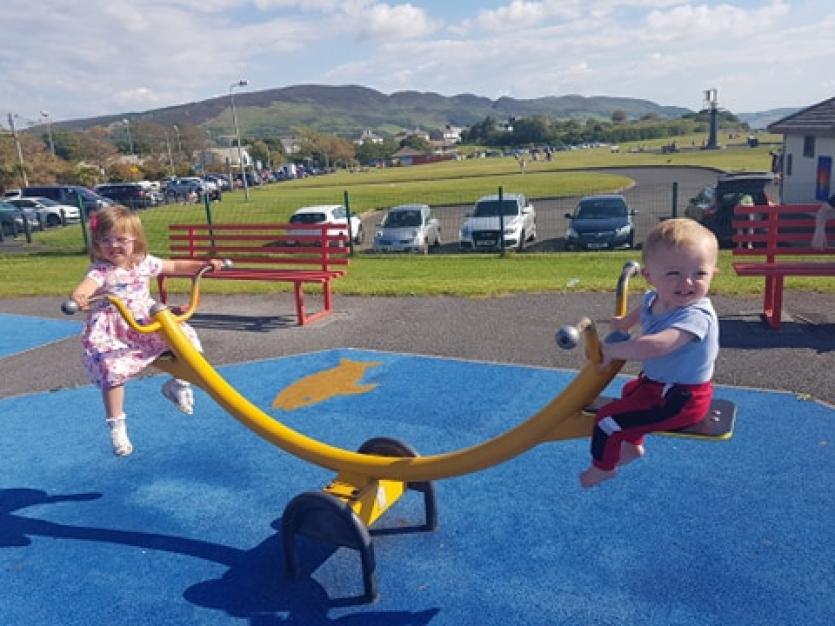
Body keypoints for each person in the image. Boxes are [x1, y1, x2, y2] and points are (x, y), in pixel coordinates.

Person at [69, 205, 223, 457]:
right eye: (105, 240)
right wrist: (80, 297)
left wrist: (203, 265)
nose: (113, 245)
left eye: (121, 239)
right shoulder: (101, 270)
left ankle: (179, 383)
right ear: (97, 243)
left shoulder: (143, 263)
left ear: (136, 241)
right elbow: (86, 287)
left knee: (185, 339)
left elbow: (173, 267)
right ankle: (116, 424)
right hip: (115, 326)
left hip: (144, 319)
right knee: (111, 368)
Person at [579, 218, 720, 488]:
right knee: (630, 390)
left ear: (713, 272)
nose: (687, 282)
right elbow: (643, 309)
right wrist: (624, 324)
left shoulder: (697, 316)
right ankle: (633, 446)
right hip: (657, 385)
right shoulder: (654, 298)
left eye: (699, 274)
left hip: (682, 399)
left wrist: (611, 349)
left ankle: (603, 468)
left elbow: (656, 346)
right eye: (674, 274)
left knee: (607, 421)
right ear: (650, 276)